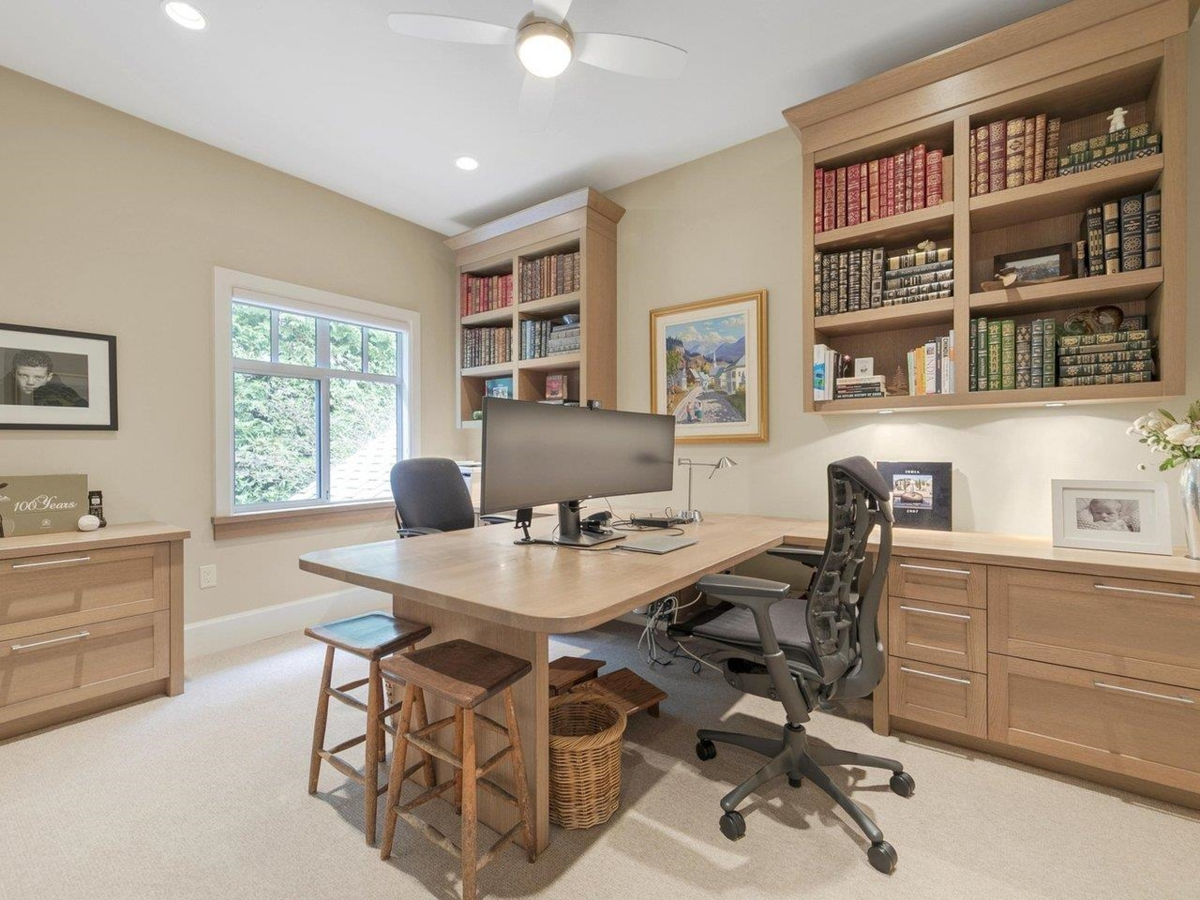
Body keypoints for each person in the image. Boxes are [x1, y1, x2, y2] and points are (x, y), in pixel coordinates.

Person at [10, 349, 88, 407]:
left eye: (38, 377)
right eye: (23, 375)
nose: (30, 382)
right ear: (14, 374)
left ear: (49, 377)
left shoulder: (69, 398)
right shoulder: (5, 395)